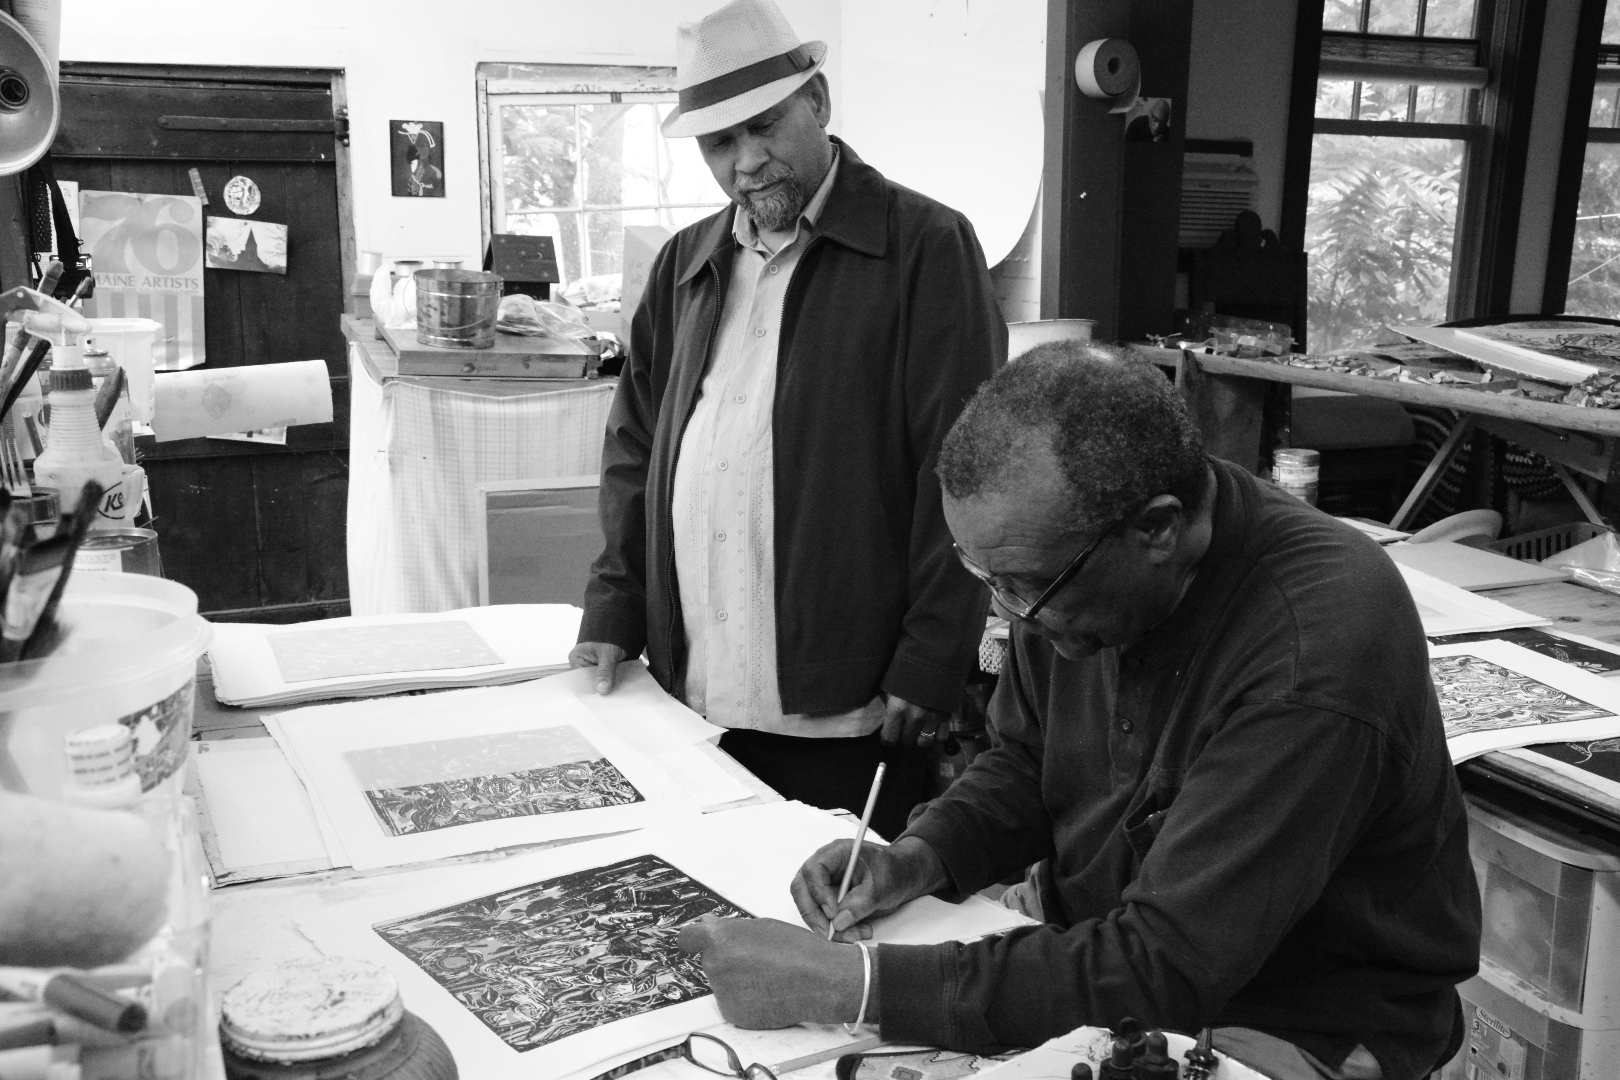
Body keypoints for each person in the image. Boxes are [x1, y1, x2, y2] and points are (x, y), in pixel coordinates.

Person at [679, 344, 1483, 1080]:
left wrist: (849, 984)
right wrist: (921, 855)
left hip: (1294, 1019)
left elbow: (1166, 968)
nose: (1010, 615)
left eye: (1024, 586)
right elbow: (1026, 763)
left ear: (1157, 528)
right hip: (1115, 958)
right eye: (986, 580)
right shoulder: (1067, 572)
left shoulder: (1317, 647)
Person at [571, 0, 1003, 839]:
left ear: (820, 103)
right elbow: (637, 452)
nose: (746, 163)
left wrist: (933, 655)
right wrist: (614, 611)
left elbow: (964, 469)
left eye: (764, 127)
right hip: (687, 699)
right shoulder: (685, 265)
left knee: (826, 937)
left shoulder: (924, 250)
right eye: (719, 143)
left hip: (848, 709)